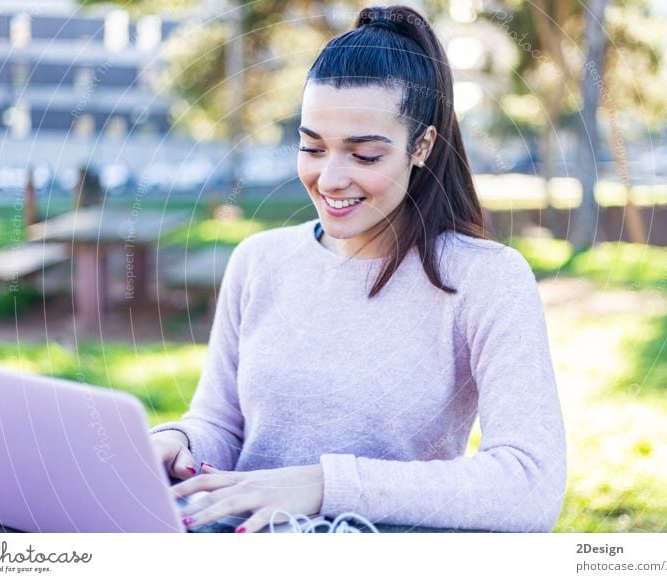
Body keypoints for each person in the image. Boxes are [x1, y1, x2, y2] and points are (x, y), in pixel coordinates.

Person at [151, 4, 566, 533]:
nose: (329, 179)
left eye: (364, 155)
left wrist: (325, 486)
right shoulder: (259, 261)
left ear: (422, 145)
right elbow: (220, 424)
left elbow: (530, 486)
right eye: (311, 147)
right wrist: (176, 443)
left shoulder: (487, 280)